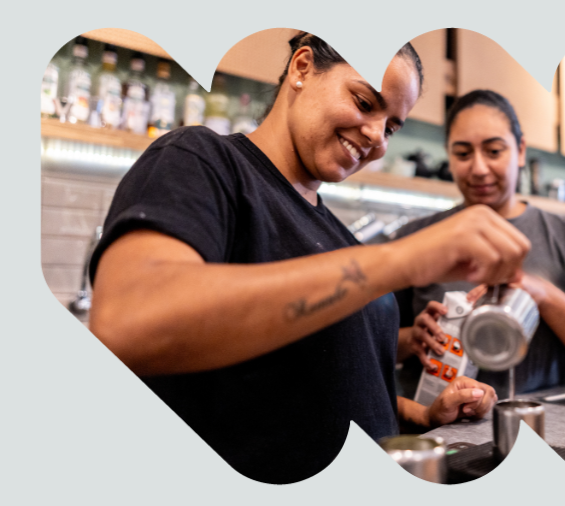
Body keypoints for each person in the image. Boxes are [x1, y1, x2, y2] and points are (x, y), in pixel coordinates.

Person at [87, 33, 529, 484]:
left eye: (392, 126)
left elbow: (315, 380)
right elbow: (129, 321)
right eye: (363, 102)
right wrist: (400, 260)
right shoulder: (202, 161)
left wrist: (423, 413)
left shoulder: (336, 235)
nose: (377, 138)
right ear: (301, 68)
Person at [394, 90, 565, 399]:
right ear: (449, 156)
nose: (478, 168)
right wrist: (413, 338)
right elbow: (365, 346)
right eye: (463, 154)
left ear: (519, 150)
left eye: (493, 151)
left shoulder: (563, 234)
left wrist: (539, 292)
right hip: (437, 429)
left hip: (535, 423)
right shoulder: (416, 236)